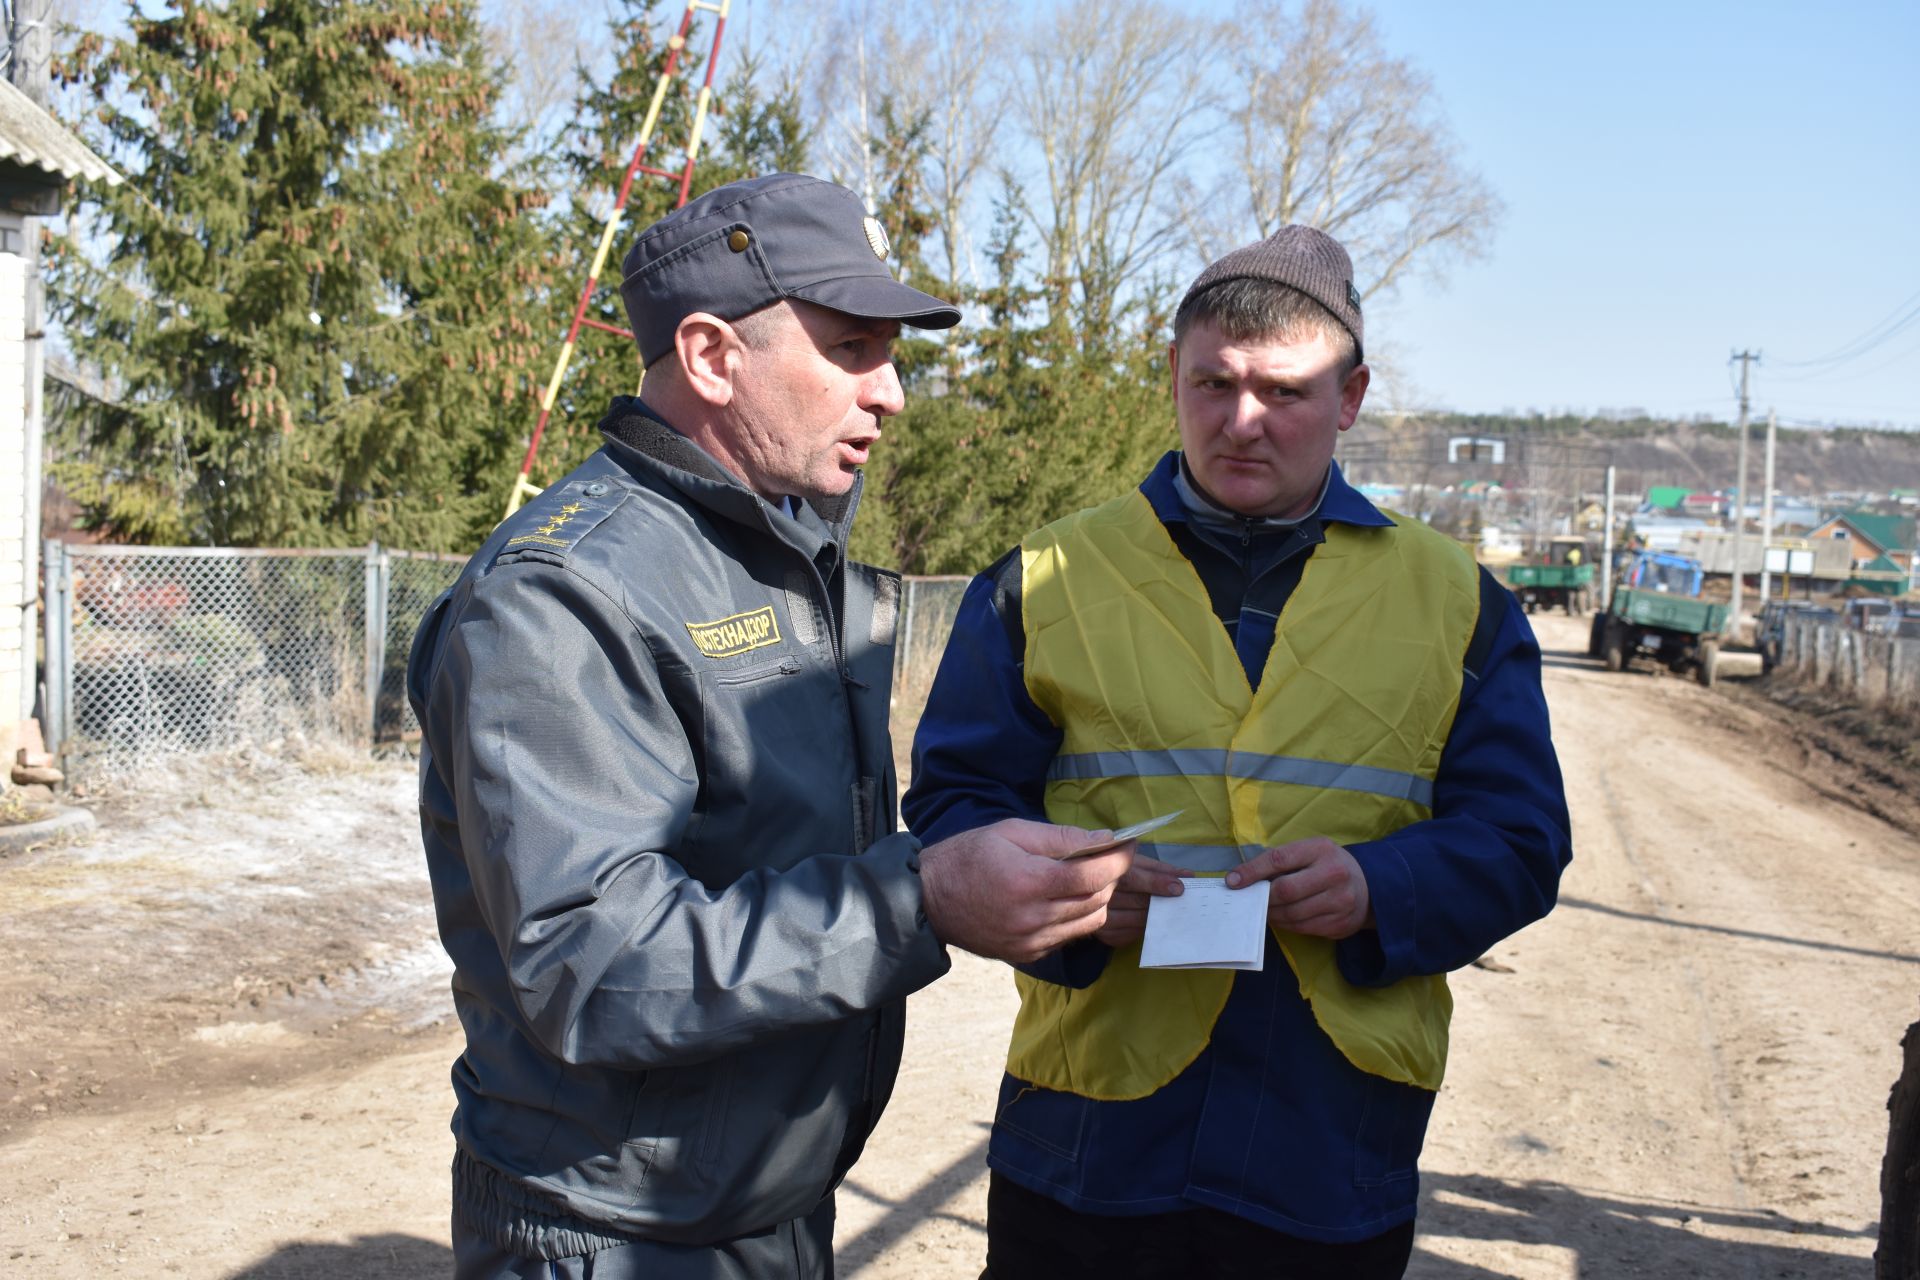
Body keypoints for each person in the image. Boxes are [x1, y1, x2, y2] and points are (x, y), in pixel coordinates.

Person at [408, 172, 1134, 1280]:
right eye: (851, 348)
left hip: (763, 1210)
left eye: (891, 354)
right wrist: (923, 896)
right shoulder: (565, 595)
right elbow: (592, 961)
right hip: (615, 1235)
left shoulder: (786, 555)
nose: (890, 393)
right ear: (709, 356)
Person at [903, 226, 1573, 1279]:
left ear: (1350, 397)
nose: (1243, 421)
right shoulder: (1041, 578)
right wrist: (1056, 901)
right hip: (1087, 1136)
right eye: (1213, 382)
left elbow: (1523, 839)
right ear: (1172, 374)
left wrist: (1377, 884)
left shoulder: (1458, 603)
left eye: (1286, 391)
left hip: (1326, 1139)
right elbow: (955, 801)